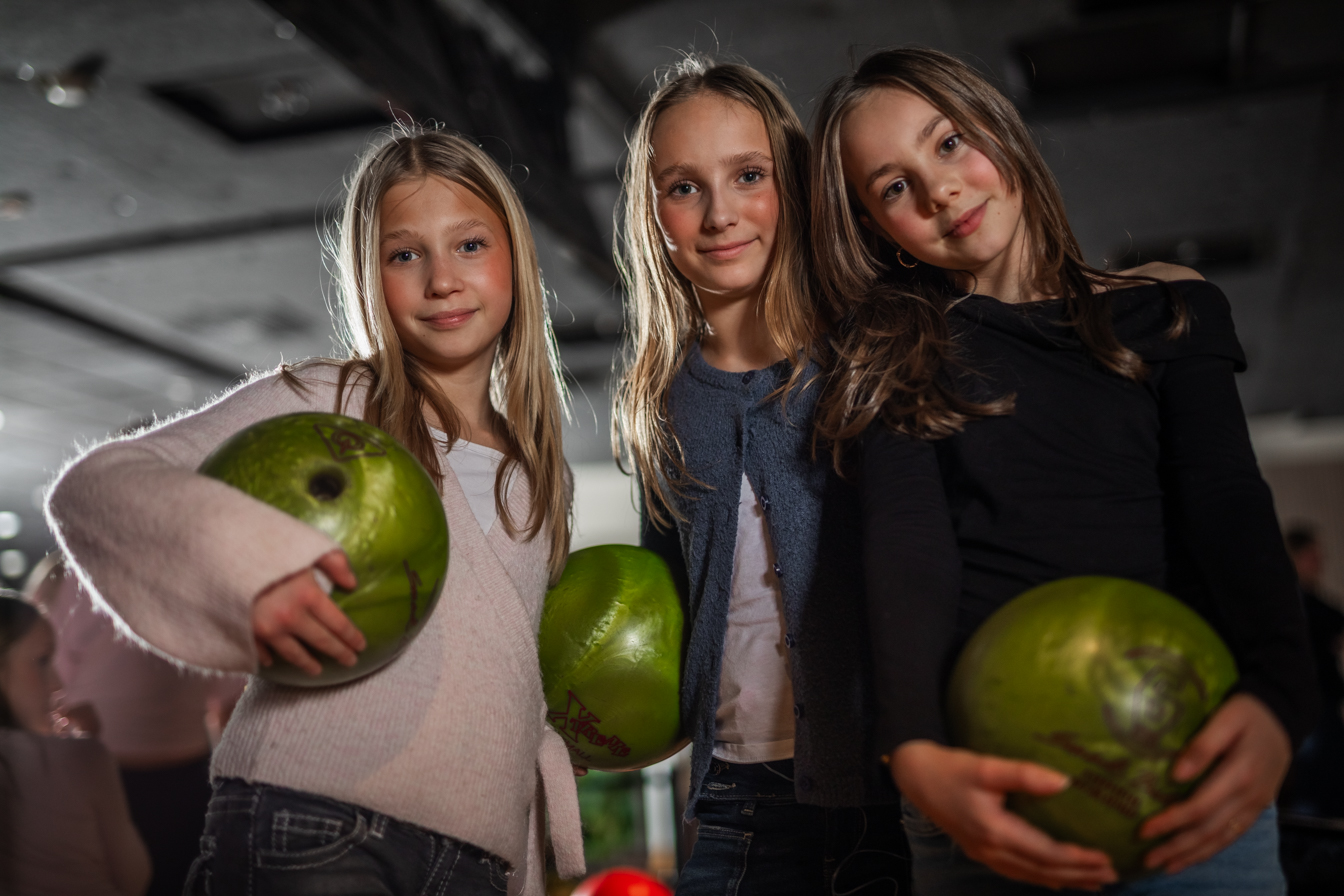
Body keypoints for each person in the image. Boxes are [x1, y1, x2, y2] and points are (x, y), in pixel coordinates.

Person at [810, 47, 1316, 895]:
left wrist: (1281, 700)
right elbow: (907, 549)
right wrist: (917, 750)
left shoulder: (1167, 303)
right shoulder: (894, 352)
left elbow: (1227, 506)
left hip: (1182, 776)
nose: (939, 190)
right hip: (985, 794)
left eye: (949, 142)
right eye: (892, 187)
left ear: (1002, 132)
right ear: (875, 230)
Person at [44, 127, 583, 895]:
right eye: (405, 254)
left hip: (474, 856)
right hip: (318, 827)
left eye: (469, 244)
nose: (441, 280)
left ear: (515, 258)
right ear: (371, 276)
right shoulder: (334, 401)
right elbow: (95, 487)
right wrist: (249, 568)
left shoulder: (538, 472)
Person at [612, 55, 908, 895]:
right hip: (734, 800)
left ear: (796, 185)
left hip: (892, 793)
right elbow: (668, 611)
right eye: (682, 187)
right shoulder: (657, 403)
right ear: (651, 215)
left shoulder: (872, 355)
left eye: (749, 175)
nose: (719, 215)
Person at [26, 553, 245, 896]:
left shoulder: (81, 579)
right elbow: (228, 701)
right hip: (148, 776)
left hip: (150, 776)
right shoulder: (199, 589)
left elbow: (48, 684)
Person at [0, 590, 151, 895]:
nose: (57, 683)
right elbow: (135, 880)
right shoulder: (81, 759)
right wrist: (87, 746)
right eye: (41, 660)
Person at [1279, 524, 1344, 818]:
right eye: (1312, 556)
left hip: (1316, 706)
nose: (1318, 563)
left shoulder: (1305, 601)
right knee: (1314, 785)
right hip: (1310, 708)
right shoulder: (1294, 603)